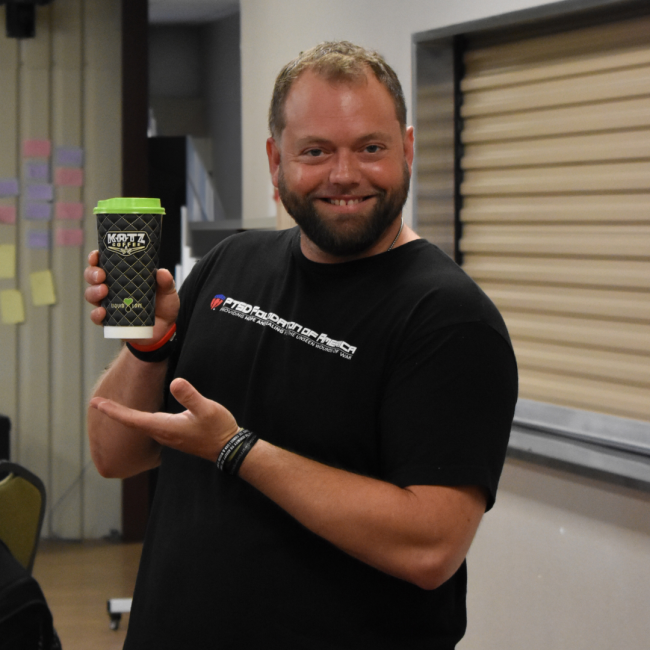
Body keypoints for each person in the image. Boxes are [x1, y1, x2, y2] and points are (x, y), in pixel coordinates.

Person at [85, 41, 517, 649]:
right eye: (316, 151)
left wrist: (237, 449)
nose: (345, 174)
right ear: (275, 160)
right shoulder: (231, 262)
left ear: (408, 149)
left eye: (371, 148)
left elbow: (431, 546)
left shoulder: (449, 319)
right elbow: (114, 454)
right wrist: (148, 349)